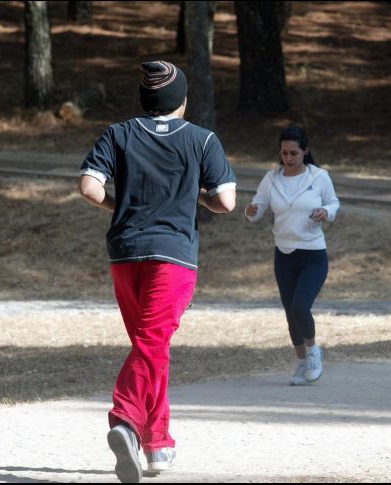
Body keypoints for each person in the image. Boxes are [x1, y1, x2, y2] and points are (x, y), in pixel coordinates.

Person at [78, 60, 237, 482]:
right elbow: (226, 202)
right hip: (174, 255)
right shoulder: (203, 140)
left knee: (151, 345)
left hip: (125, 253)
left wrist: (122, 207)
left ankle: (158, 444)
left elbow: (89, 188)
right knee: (152, 343)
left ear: (146, 99)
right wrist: (192, 197)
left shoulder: (118, 134)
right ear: (182, 99)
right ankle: (125, 422)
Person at [244, 126, 340, 386]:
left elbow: (333, 203)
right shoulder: (271, 178)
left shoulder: (318, 177)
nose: (289, 158)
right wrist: (251, 210)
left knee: (300, 307)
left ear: (305, 151)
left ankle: (313, 352)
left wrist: (325, 212)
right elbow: (257, 209)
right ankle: (300, 361)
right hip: (284, 254)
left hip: (313, 254)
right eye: (284, 153)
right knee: (290, 311)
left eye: (294, 153)